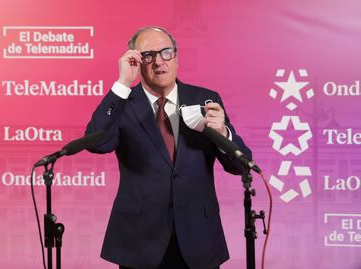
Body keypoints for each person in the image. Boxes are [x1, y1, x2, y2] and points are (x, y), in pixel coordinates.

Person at [86, 26, 252, 269]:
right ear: (135, 60)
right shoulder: (123, 103)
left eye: (166, 52)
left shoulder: (205, 99)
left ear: (176, 57)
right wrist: (122, 82)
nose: (158, 62)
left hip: (199, 238)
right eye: (148, 55)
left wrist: (222, 134)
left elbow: (241, 165)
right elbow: (97, 142)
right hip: (139, 241)